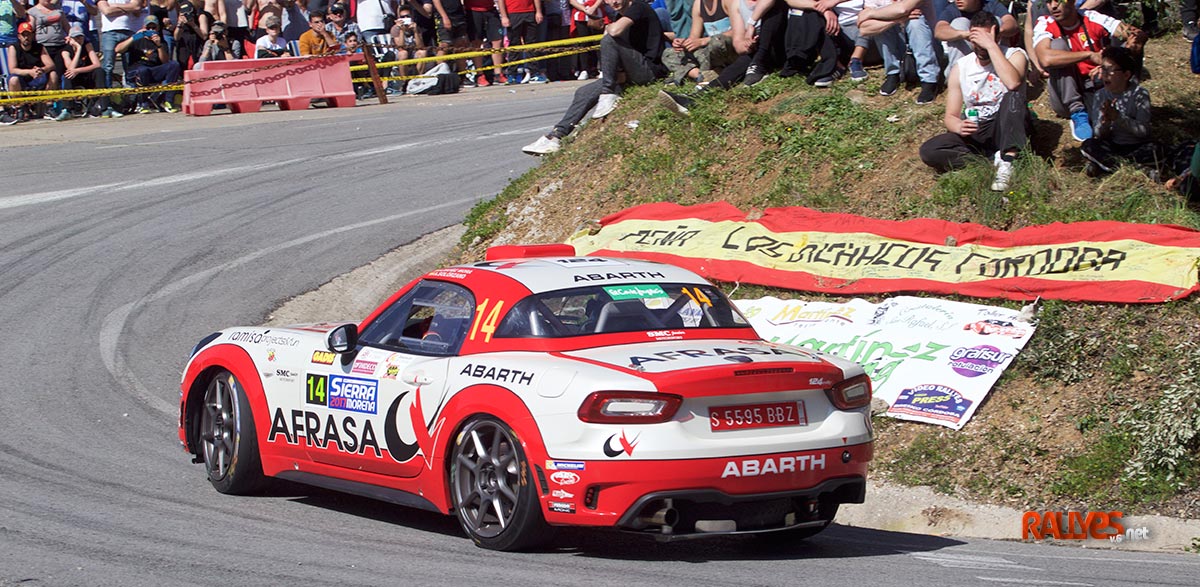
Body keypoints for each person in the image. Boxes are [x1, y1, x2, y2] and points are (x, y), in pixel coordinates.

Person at [522, 0, 667, 155]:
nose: (614, 2)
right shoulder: (620, 16)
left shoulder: (638, 7)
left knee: (610, 38)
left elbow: (613, 32)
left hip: (650, 71)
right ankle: (556, 136)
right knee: (583, 92)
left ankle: (608, 92)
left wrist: (605, 26)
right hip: (629, 72)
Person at [919, 10, 1029, 192]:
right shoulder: (961, 67)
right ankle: (989, 159)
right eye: (976, 42)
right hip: (978, 128)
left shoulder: (1014, 55)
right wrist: (958, 126)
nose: (980, 48)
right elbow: (951, 116)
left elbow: (1013, 83)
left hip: (1007, 124)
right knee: (930, 150)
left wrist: (992, 46)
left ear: (996, 36)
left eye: (984, 41)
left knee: (1014, 96)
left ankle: (1008, 160)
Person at [1031, 0, 1146, 142]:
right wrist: (1088, 54)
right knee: (1057, 45)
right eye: (1048, 2)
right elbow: (1045, 59)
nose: (1053, 6)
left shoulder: (1091, 17)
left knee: (1134, 47)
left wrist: (1112, 61)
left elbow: (1137, 34)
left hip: (1097, 85)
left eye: (1058, 0)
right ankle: (1077, 112)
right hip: (1066, 93)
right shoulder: (1045, 22)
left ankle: (1128, 98)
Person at [1079, 46, 1156, 176]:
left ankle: (1107, 167)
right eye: (1103, 69)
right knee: (1089, 145)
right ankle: (1130, 169)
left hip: (1136, 146)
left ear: (1126, 75)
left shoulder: (1140, 94)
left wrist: (1118, 118)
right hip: (1112, 146)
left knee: (1155, 149)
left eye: (1110, 70)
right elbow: (1098, 133)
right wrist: (1105, 123)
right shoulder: (1100, 95)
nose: (1104, 75)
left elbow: (1144, 131)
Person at [857, 0, 940, 102]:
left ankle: (929, 80)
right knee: (880, 26)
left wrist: (872, 13)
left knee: (915, 21)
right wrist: (898, 19)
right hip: (902, 49)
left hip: (928, 48)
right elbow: (864, 29)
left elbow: (903, 9)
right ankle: (893, 73)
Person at [661, 0, 736, 86]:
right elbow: (694, 37)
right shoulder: (698, 4)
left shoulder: (727, 2)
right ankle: (702, 75)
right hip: (710, 54)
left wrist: (704, 41)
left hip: (730, 50)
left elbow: (738, 31)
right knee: (669, 54)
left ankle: (718, 72)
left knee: (717, 41)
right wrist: (684, 44)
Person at [116, 14, 182, 112]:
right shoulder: (137, 39)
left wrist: (159, 46)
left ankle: (168, 101)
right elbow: (118, 49)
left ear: (158, 28)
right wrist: (133, 37)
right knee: (143, 70)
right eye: (148, 27)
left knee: (174, 65)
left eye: (153, 27)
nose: (151, 30)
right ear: (144, 27)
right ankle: (143, 103)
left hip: (154, 70)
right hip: (138, 70)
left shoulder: (161, 41)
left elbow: (165, 61)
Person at [933, 0, 1016, 78]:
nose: (957, 0)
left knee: (997, 21)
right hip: (966, 58)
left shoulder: (991, 5)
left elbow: (1012, 24)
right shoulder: (953, 9)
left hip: (992, 58)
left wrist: (995, 32)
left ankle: (999, 72)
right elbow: (939, 31)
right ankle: (959, 77)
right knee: (958, 23)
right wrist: (964, 34)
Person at [6, 21, 59, 120]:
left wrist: (42, 70)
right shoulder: (14, 48)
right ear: (19, 36)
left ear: (33, 35)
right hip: (22, 78)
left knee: (53, 74)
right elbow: (12, 69)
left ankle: (49, 107)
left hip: (37, 77)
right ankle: (19, 108)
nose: (26, 37)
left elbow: (51, 64)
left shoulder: (39, 47)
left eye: (28, 34)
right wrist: (29, 72)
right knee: (13, 80)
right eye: (24, 35)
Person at [60, 23, 101, 117]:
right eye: (76, 38)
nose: (79, 40)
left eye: (80, 37)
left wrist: (78, 70)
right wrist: (78, 49)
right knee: (67, 76)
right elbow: (70, 69)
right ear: (70, 39)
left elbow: (97, 64)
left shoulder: (87, 45)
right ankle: (67, 109)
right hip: (75, 78)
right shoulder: (66, 51)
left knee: (99, 72)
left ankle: (105, 106)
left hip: (86, 75)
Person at [499, 0, 545, 83]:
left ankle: (533, 73)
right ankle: (512, 74)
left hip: (530, 12)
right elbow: (500, 1)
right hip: (513, 13)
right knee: (514, 44)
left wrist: (538, 11)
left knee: (531, 44)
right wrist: (504, 16)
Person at [464, 0, 506, 85]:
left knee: (497, 40)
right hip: (473, 11)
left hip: (491, 10)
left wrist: (504, 15)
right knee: (476, 43)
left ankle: (498, 74)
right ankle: (479, 75)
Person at [391, 3, 428, 77]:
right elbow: (400, 48)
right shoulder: (395, 29)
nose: (405, 18)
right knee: (403, 53)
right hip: (399, 54)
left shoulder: (416, 27)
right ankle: (404, 80)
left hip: (413, 52)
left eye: (407, 16)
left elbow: (420, 46)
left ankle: (419, 77)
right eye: (402, 17)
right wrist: (402, 31)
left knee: (423, 52)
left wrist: (415, 31)